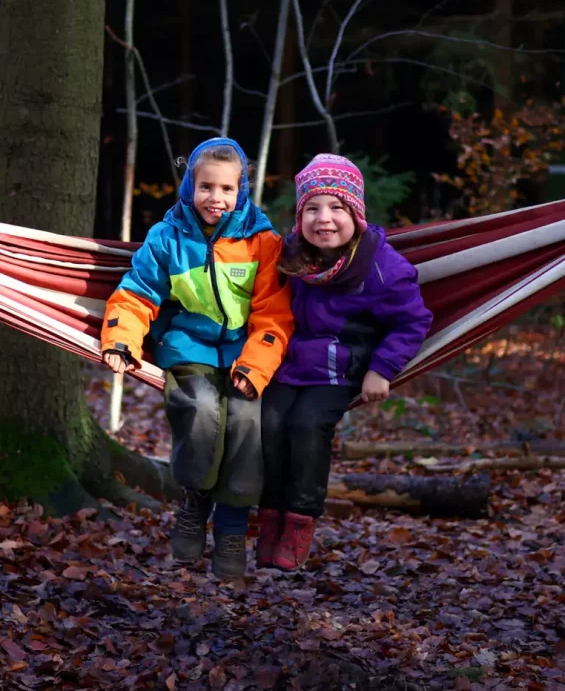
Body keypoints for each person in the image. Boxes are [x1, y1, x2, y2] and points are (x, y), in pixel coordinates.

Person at [101, 137, 293, 580]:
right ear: (190, 186)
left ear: (241, 190)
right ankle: (194, 501)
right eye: (206, 187)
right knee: (201, 409)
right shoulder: (167, 238)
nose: (216, 198)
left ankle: (229, 529)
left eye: (227, 189)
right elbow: (136, 293)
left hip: (246, 354)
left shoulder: (262, 242)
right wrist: (120, 341)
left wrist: (256, 367)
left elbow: (274, 315)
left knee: (247, 422)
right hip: (189, 347)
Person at [256, 154, 433, 571]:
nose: (325, 219)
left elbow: (413, 321)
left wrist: (382, 369)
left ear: (357, 212)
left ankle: (300, 521)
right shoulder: (291, 255)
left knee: (307, 427)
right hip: (289, 364)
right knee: (268, 425)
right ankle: (269, 516)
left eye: (337, 207)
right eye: (312, 208)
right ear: (299, 217)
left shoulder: (382, 265)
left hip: (340, 370)